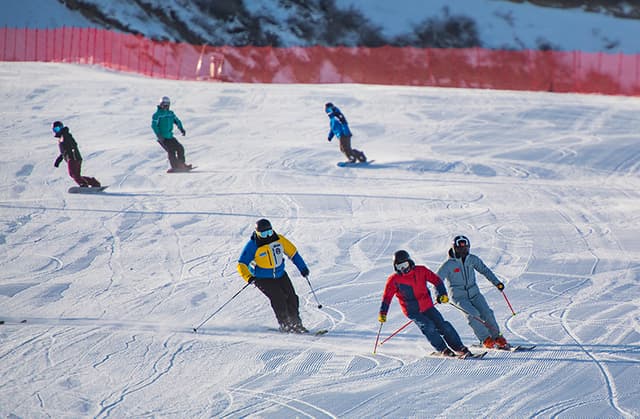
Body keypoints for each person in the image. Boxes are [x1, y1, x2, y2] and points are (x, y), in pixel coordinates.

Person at [378, 250, 471, 357]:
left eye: (405, 265)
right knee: (428, 326)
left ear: (410, 262)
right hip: (413, 311)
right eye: (400, 267)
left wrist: (442, 294)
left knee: (443, 325)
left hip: (427, 306)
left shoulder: (421, 270)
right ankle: (443, 349)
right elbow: (387, 297)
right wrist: (383, 312)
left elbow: (436, 280)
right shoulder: (394, 280)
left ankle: (459, 347)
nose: (403, 269)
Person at [237, 219, 310, 333]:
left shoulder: (279, 240)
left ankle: (296, 324)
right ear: (257, 233)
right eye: (264, 234)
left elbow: (293, 253)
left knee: (292, 297)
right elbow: (241, 264)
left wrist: (303, 268)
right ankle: (285, 324)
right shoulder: (253, 245)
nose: (267, 236)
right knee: (278, 298)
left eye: (269, 232)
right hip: (262, 278)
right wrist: (248, 277)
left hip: (280, 274)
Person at [436, 235, 509, 349]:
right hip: (459, 296)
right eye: (460, 248)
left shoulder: (472, 259)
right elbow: (437, 280)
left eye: (465, 248)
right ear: (454, 248)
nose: (463, 251)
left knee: (487, 313)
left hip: (474, 293)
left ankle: (497, 337)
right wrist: (440, 295)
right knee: (474, 315)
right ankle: (485, 339)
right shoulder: (449, 265)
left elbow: (485, 270)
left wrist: (497, 283)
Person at [51, 121, 101, 188]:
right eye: (55, 130)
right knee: (76, 175)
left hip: (73, 158)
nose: (57, 131)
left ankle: (84, 184)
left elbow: (73, 144)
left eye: (58, 129)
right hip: (73, 158)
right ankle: (93, 182)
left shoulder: (66, 135)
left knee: (73, 174)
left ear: (61, 127)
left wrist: (73, 154)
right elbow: (63, 152)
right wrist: (58, 160)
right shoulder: (61, 138)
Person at [151, 96, 192, 172]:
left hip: (170, 136)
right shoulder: (157, 115)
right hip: (163, 137)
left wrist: (181, 128)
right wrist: (159, 135)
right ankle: (174, 167)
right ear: (161, 104)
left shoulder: (171, 113)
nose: (166, 106)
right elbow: (154, 125)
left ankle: (181, 165)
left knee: (180, 148)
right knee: (171, 150)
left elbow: (176, 120)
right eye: (164, 104)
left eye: (167, 104)